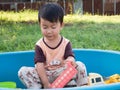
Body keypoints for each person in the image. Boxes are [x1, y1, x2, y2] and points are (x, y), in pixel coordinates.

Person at [18, 3, 88, 89]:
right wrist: (45, 83)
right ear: (40, 25)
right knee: (23, 71)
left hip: (62, 73)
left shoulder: (65, 43)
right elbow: (39, 65)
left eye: (53, 27)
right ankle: (38, 87)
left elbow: (70, 56)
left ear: (61, 25)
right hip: (45, 74)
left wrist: (70, 59)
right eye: (45, 27)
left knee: (80, 65)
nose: (49, 31)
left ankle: (82, 87)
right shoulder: (40, 45)